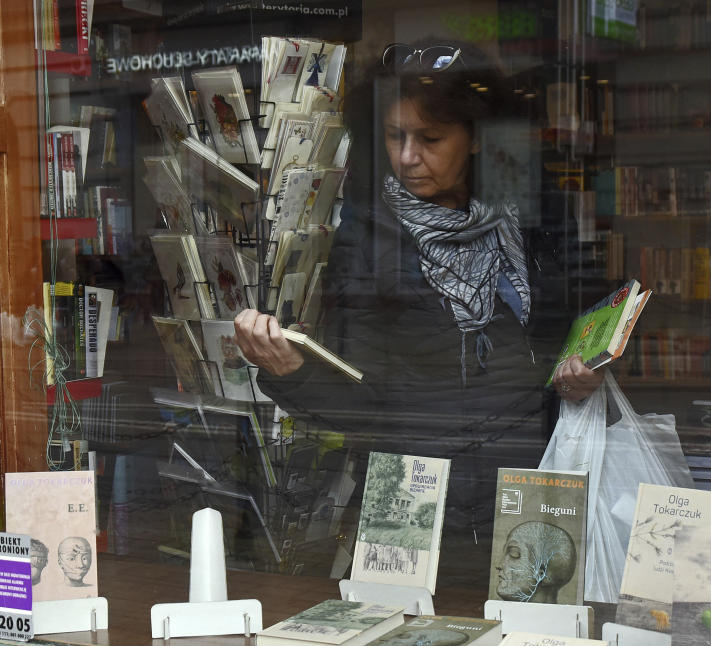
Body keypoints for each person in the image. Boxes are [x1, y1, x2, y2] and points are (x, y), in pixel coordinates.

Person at [235, 41, 601, 572]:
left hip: (532, 483)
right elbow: (360, 409)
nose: (408, 156)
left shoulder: (533, 219)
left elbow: (585, 329)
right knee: (403, 643)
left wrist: (586, 369)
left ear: (475, 138)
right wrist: (290, 372)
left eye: (430, 138)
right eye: (394, 136)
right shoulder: (368, 241)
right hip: (408, 496)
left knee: (534, 643)